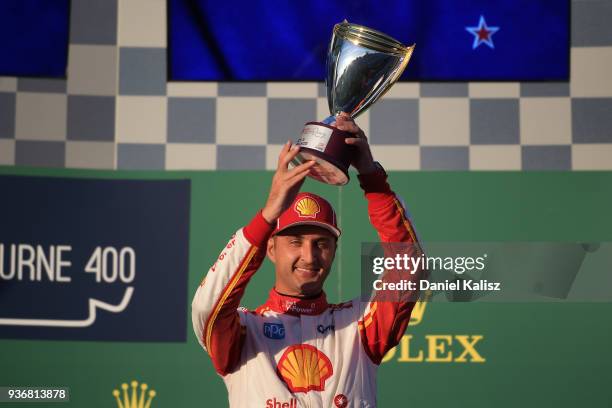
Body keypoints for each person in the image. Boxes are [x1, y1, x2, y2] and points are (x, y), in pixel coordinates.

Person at [192, 113, 423, 408]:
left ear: (334, 251)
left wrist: (371, 178)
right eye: (295, 242)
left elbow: (408, 268)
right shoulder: (242, 332)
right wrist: (266, 217)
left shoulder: (358, 326)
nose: (309, 256)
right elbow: (206, 307)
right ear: (271, 249)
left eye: (321, 243)